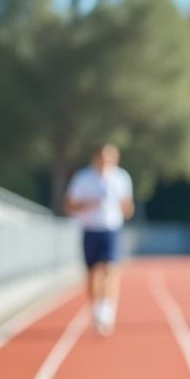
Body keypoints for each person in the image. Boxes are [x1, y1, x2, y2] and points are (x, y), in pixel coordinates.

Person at [64, 143, 133, 336]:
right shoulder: (83, 178)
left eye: (111, 158)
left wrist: (125, 208)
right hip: (90, 229)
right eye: (103, 157)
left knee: (111, 269)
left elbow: (128, 208)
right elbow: (69, 206)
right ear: (95, 158)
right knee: (93, 273)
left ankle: (107, 310)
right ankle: (95, 308)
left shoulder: (121, 178)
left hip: (111, 229)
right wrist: (89, 204)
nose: (106, 161)